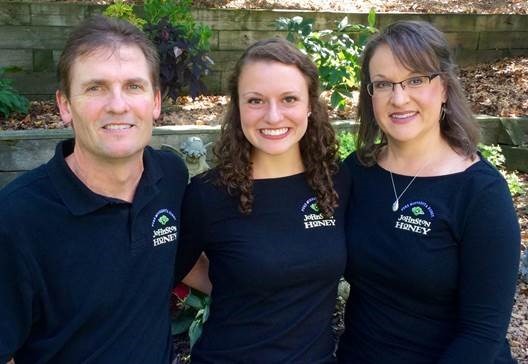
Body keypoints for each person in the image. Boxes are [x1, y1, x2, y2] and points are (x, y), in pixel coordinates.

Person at [0, 15, 188, 363]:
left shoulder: (170, 176)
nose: (117, 105)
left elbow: (188, 261)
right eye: (95, 87)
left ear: (156, 102)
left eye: (133, 86)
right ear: (64, 106)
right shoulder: (17, 218)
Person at [337, 20, 520, 364]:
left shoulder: (480, 193)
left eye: (416, 79)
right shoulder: (357, 172)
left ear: (446, 88)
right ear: (370, 94)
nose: (399, 97)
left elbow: (482, 334)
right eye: (383, 84)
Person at [174, 37, 350, 363]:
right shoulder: (208, 194)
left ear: (310, 104)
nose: (272, 116)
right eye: (255, 100)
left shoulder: (337, 182)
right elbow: (175, 265)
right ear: (237, 105)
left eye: (289, 99)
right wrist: (234, 284)